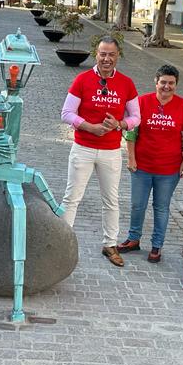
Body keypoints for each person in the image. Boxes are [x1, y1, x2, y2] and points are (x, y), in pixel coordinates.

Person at [60, 36, 140, 267]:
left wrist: (120, 124)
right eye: (102, 54)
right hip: (83, 147)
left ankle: (110, 244)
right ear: (96, 54)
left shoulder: (126, 83)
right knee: (72, 197)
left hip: (111, 151)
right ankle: (62, 243)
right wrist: (89, 126)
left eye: (111, 55)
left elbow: (136, 117)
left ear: (118, 56)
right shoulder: (82, 79)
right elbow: (66, 113)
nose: (106, 59)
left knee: (111, 200)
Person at [117, 64, 183, 263]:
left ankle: (157, 246)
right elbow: (131, 133)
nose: (167, 87)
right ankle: (133, 239)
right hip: (141, 167)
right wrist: (131, 157)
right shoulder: (142, 102)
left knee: (161, 207)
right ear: (156, 82)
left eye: (171, 83)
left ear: (176, 84)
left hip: (168, 170)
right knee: (137, 205)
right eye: (163, 82)